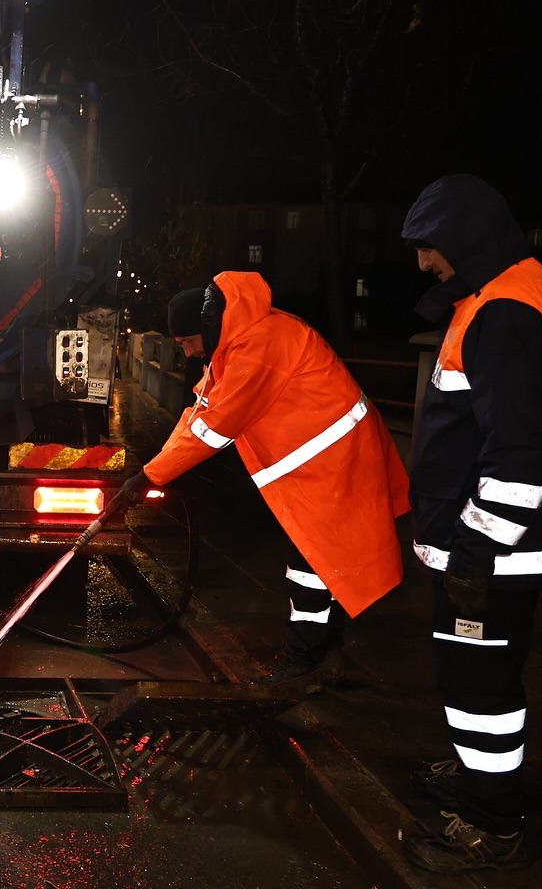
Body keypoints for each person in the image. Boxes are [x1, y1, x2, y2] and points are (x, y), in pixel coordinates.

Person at [398, 174, 542, 873]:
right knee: (479, 682)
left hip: (494, 552)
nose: (424, 262)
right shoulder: (506, 294)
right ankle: (479, 781)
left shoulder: (504, 311)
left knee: (479, 689)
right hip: (498, 545)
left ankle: (491, 824)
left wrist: (477, 554)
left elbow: (517, 452)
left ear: (465, 238)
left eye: (429, 247)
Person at [122, 272, 411, 686]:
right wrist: (149, 471)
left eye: (186, 343)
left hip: (337, 462)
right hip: (324, 464)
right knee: (318, 560)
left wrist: (152, 475)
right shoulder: (236, 343)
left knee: (311, 562)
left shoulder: (260, 345)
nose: (185, 354)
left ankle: (304, 657)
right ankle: (322, 647)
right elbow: (198, 415)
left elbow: (217, 428)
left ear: (204, 326)